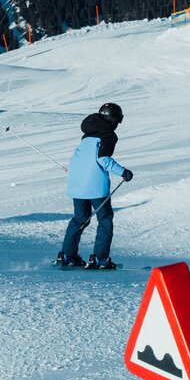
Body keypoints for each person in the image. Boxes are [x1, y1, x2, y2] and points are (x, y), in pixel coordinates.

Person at [56, 103, 133, 269]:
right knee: (105, 220)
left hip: (77, 184)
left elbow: (81, 159)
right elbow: (103, 159)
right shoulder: (108, 136)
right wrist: (123, 172)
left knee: (80, 219)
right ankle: (100, 259)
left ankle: (67, 256)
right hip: (95, 187)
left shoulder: (87, 135)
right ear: (114, 120)